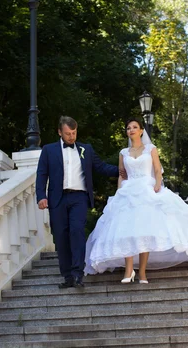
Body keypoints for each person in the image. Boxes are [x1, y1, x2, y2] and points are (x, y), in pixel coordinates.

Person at [84, 118, 188, 283]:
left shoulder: (151, 149)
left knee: (145, 231)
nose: (131, 130)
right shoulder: (123, 153)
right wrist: (119, 192)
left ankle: (142, 272)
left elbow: (158, 170)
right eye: (128, 128)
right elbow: (122, 175)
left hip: (147, 188)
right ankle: (129, 271)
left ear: (141, 130)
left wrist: (157, 185)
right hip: (128, 192)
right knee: (125, 230)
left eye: (135, 127)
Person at [36, 116, 120, 288]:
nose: (71, 137)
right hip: (57, 198)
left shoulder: (85, 149)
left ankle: (77, 274)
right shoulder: (48, 150)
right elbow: (42, 174)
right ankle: (67, 277)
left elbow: (101, 167)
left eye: (74, 133)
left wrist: (123, 170)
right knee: (60, 237)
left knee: (77, 231)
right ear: (60, 132)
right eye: (68, 133)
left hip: (79, 197)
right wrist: (41, 196)